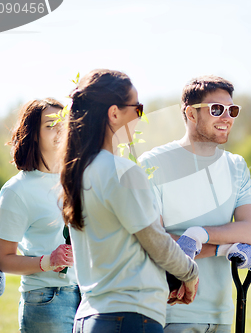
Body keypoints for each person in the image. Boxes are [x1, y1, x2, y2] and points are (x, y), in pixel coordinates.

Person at [59, 69, 199, 333]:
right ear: (114, 113)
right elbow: (155, 240)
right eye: (137, 108)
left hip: (89, 317)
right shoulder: (121, 171)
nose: (139, 116)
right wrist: (189, 274)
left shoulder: (76, 173)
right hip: (129, 317)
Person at [138, 75, 251, 333]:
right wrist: (225, 248)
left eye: (232, 110)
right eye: (216, 109)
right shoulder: (152, 164)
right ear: (191, 114)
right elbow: (155, 242)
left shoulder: (236, 165)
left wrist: (197, 236)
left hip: (222, 312)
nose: (227, 117)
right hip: (171, 311)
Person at [0, 98, 80, 333]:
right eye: (51, 125)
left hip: (89, 297)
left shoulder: (78, 180)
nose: (60, 130)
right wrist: (49, 261)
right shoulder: (17, 190)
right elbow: (3, 259)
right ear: (33, 134)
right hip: (47, 301)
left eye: (64, 124)